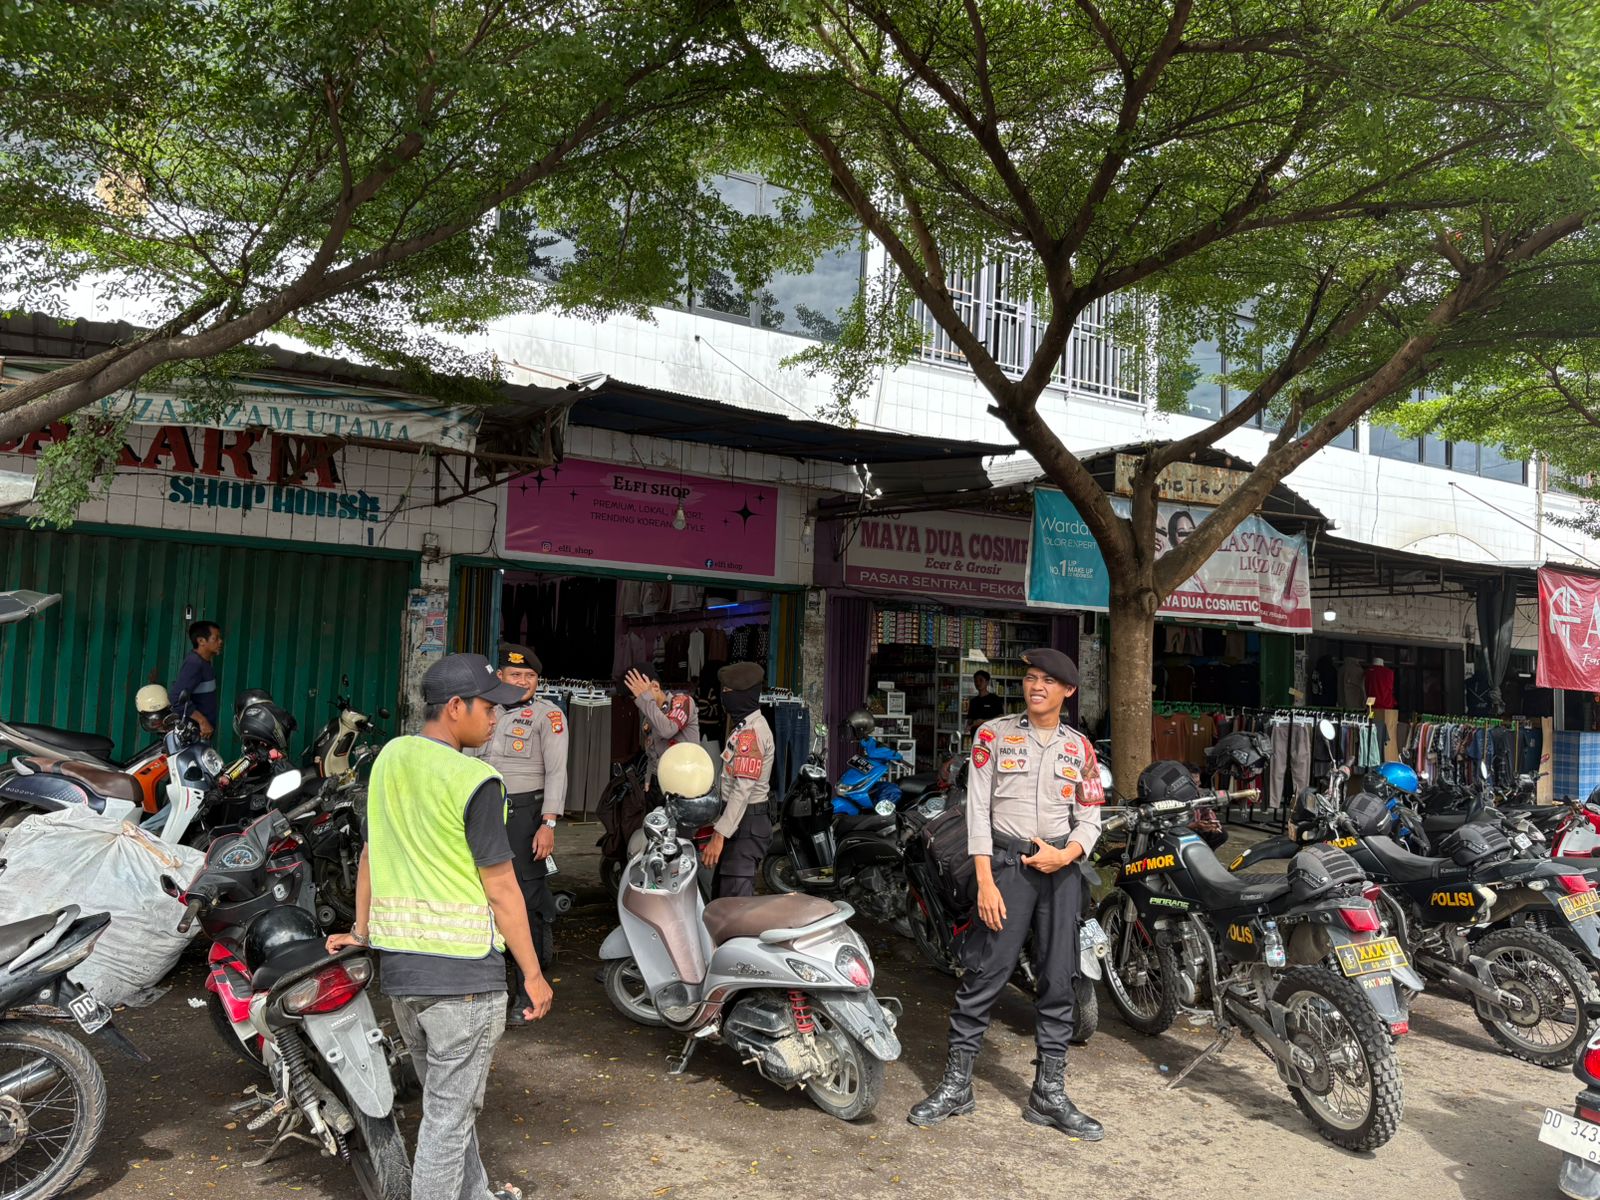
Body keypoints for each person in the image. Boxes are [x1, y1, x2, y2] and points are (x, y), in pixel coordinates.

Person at [327, 652, 553, 1200]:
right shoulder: (477, 780)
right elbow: (502, 889)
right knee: (447, 1122)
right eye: (488, 708)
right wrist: (533, 974)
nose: (496, 719)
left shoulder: (389, 759)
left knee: (450, 1109)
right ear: (455, 707)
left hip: (405, 980)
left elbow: (371, 856)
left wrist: (361, 932)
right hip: (464, 985)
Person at [909, 647, 1105, 1141]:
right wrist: (985, 880)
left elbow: (1090, 818)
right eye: (1031, 678)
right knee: (984, 974)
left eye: (1048, 681)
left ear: (1068, 691)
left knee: (1059, 980)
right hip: (1005, 868)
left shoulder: (1081, 749)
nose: (1036, 687)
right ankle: (957, 1085)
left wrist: (1068, 854)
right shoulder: (993, 736)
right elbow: (976, 811)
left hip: (1061, 873)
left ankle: (1049, 1094)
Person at [466, 644, 567, 1025]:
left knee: (525, 899)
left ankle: (527, 993)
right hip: (483, 809)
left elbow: (556, 772)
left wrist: (549, 824)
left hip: (525, 815)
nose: (523, 681)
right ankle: (491, 987)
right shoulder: (483, 710)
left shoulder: (548, 715)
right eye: (516, 675)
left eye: (530, 676)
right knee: (482, 894)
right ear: (500, 677)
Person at [700, 661, 772, 899]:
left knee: (735, 907)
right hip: (738, 823)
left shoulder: (751, 734)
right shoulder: (743, 727)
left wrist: (719, 834)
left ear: (744, 695)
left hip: (746, 826)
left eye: (728, 692)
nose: (724, 697)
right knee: (722, 899)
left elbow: (742, 791)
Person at [623, 662, 701, 783]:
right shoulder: (649, 717)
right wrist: (648, 779)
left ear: (655, 686)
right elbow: (652, 754)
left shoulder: (682, 701)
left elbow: (667, 730)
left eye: (640, 695)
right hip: (662, 782)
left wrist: (645, 699)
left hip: (686, 781)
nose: (639, 701)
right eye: (635, 698)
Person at [171, 620, 223, 739]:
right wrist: (202, 721)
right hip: (192, 735)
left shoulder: (205, 663)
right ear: (201, 641)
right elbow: (176, 698)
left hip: (201, 734)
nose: (220, 641)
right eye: (216, 638)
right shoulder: (194, 664)